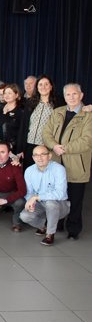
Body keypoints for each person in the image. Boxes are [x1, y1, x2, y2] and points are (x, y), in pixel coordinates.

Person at [43, 83, 92, 240]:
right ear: (64, 97)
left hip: (77, 164)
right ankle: (56, 224)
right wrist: (53, 146)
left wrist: (64, 148)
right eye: (68, 95)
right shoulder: (57, 112)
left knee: (75, 199)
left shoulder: (89, 116)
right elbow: (46, 133)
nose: (71, 97)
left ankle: (73, 229)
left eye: (74, 94)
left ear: (81, 95)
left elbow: (87, 140)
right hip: (56, 162)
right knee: (57, 196)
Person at [20, 145, 70, 246]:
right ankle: (43, 227)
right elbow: (29, 192)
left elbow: (60, 193)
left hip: (59, 205)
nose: (40, 158)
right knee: (24, 216)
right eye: (36, 155)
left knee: (51, 204)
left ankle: (50, 234)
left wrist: (36, 197)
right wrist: (30, 201)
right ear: (33, 158)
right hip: (40, 204)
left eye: (43, 154)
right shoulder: (29, 171)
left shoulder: (59, 169)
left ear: (50, 156)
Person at [18, 75, 63, 170]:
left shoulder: (59, 103)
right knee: (29, 172)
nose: (43, 87)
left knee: (46, 174)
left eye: (46, 84)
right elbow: (24, 126)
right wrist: (21, 148)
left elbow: (74, 104)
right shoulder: (30, 102)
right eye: (40, 84)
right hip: (29, 145)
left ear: (51, 87)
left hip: (46, 146)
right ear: (37, 87)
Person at [0, 83, 24, 152]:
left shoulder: (21, 111)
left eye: (9, 93)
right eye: (5, 93)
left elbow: (22, 132)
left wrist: (19, 149)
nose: (6, 95)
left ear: (16, 95)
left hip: (13, 148)